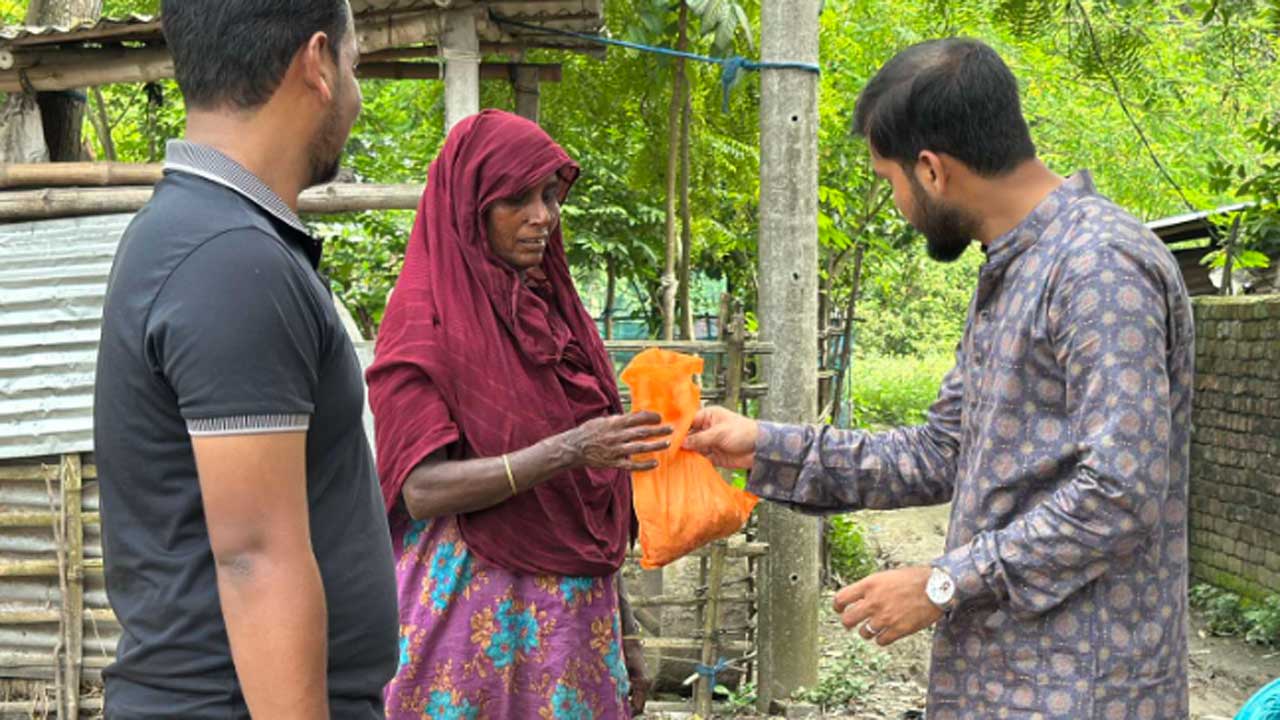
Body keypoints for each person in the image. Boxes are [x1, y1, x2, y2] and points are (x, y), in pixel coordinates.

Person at [685, 38, 1195, 720]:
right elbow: (943, 450)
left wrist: (943, 583)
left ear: (931, 170)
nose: (895, 200)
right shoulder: (1017, 266)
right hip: (1004, 678)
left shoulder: (1096, 267)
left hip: (1084, 688)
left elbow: (1122, 490)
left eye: (888, 180)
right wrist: (764, 446)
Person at [93, 1, 398, 717]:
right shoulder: (230, 260)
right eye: (355, 66)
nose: (355, 94)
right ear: (316, 63)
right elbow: (255, 559)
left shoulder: (204, 234)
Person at [366, 110, 671, 719]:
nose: (543, 216)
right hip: (469, 617)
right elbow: (422, 489)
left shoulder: (559, 318)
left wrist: (625, 626)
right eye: (517, 199)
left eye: (550, 196)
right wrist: (569, 449)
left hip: (574, 629)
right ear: (471, 208)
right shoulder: (424, 322)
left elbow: (586, 505)